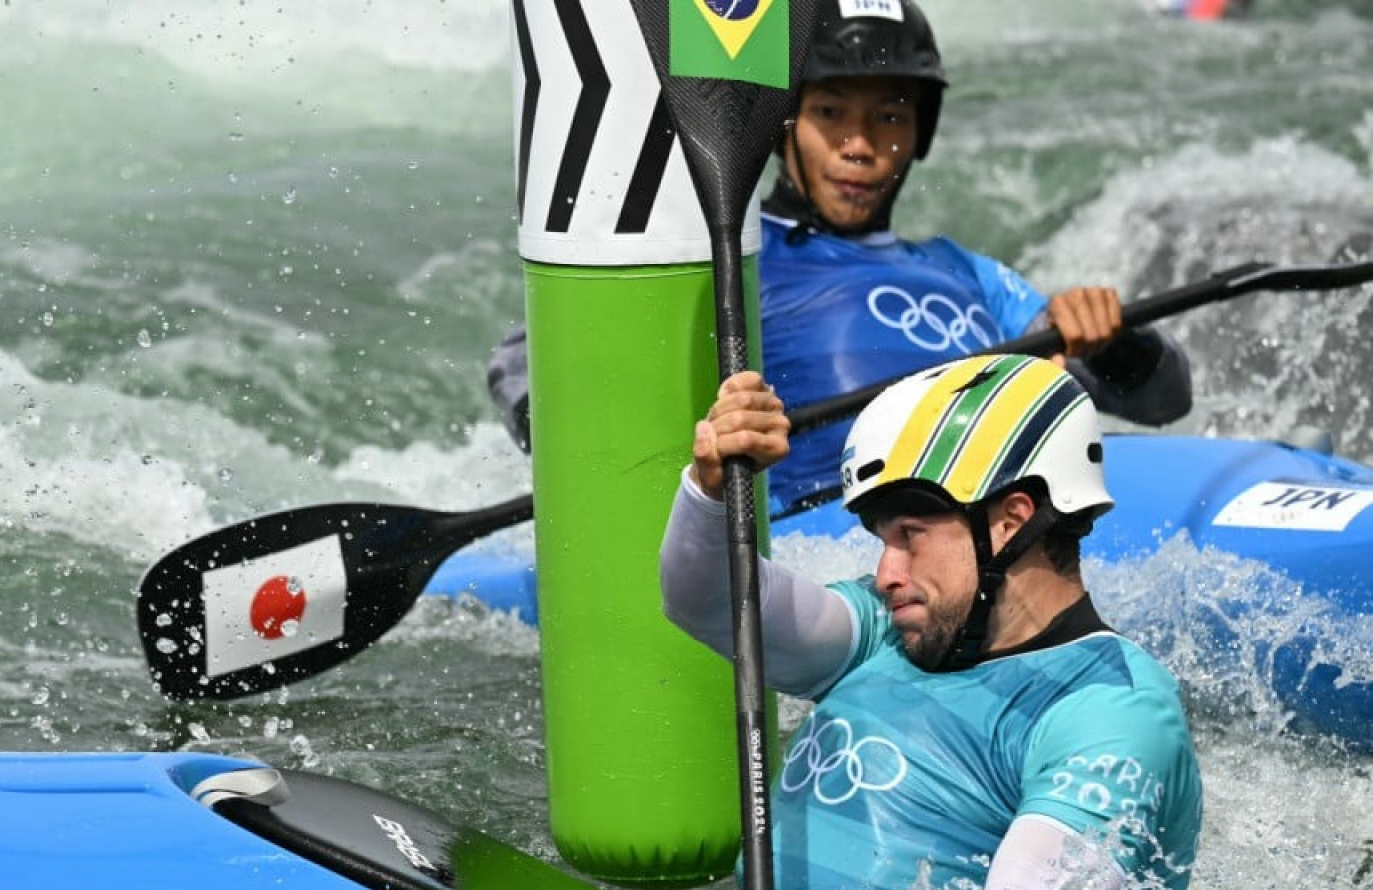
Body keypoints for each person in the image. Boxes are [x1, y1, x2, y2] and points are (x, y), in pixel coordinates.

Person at [659, 353, 1203, 890]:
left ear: (1011, 519)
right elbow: (710, 602)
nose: (886, 571)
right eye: (882, 539)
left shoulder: (1108, 707)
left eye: (911, 535)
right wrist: (714, 487)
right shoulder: (887, 631)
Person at [488, 0, 1191, 514]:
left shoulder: (968, 272)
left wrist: (1114, 343)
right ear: (781, 124)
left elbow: (1166, 402)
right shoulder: (731, 259)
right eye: (831, 113)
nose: (860, 145)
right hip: (829, 532)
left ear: (919, 133)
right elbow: (523, 362)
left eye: (889, 117)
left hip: (992, 515)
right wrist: (665, 454)